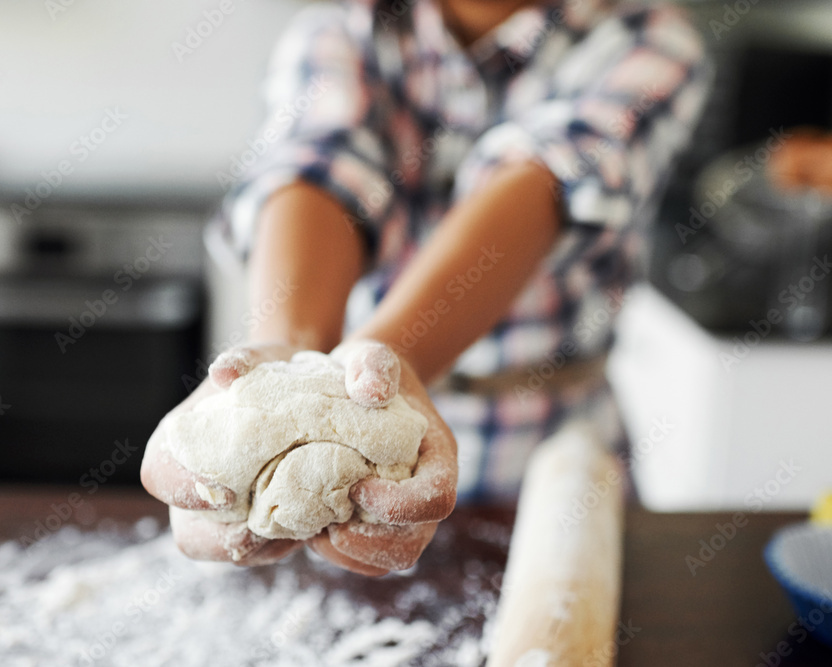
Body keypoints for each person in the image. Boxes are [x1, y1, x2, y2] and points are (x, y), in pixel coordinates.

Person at [141, 0, 712, 576]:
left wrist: (395, 356)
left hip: (549, 463)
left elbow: (543, 180)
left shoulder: (648, 34)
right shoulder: (345, 26)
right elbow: (320, 167)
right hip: (349, 453)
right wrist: (283, 360)